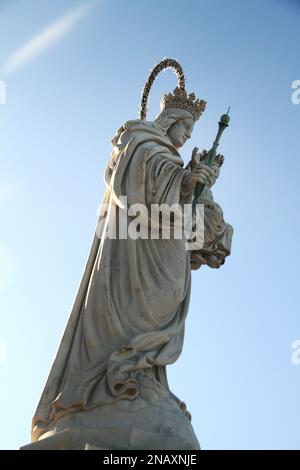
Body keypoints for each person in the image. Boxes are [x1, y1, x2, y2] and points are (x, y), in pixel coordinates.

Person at [30, 61, 232, 450]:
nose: (187, 137)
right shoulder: (138, 139)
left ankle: (143, 375)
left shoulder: (167, 155)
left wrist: (200, 188)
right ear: (170, 117)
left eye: (191, 133)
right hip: (133, 248)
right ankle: (120, 381)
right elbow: (133, 187)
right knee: (132, 314)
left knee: (161, 307)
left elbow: (182, 215)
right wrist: (184, 180)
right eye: (184, 128)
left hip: (163, 247)